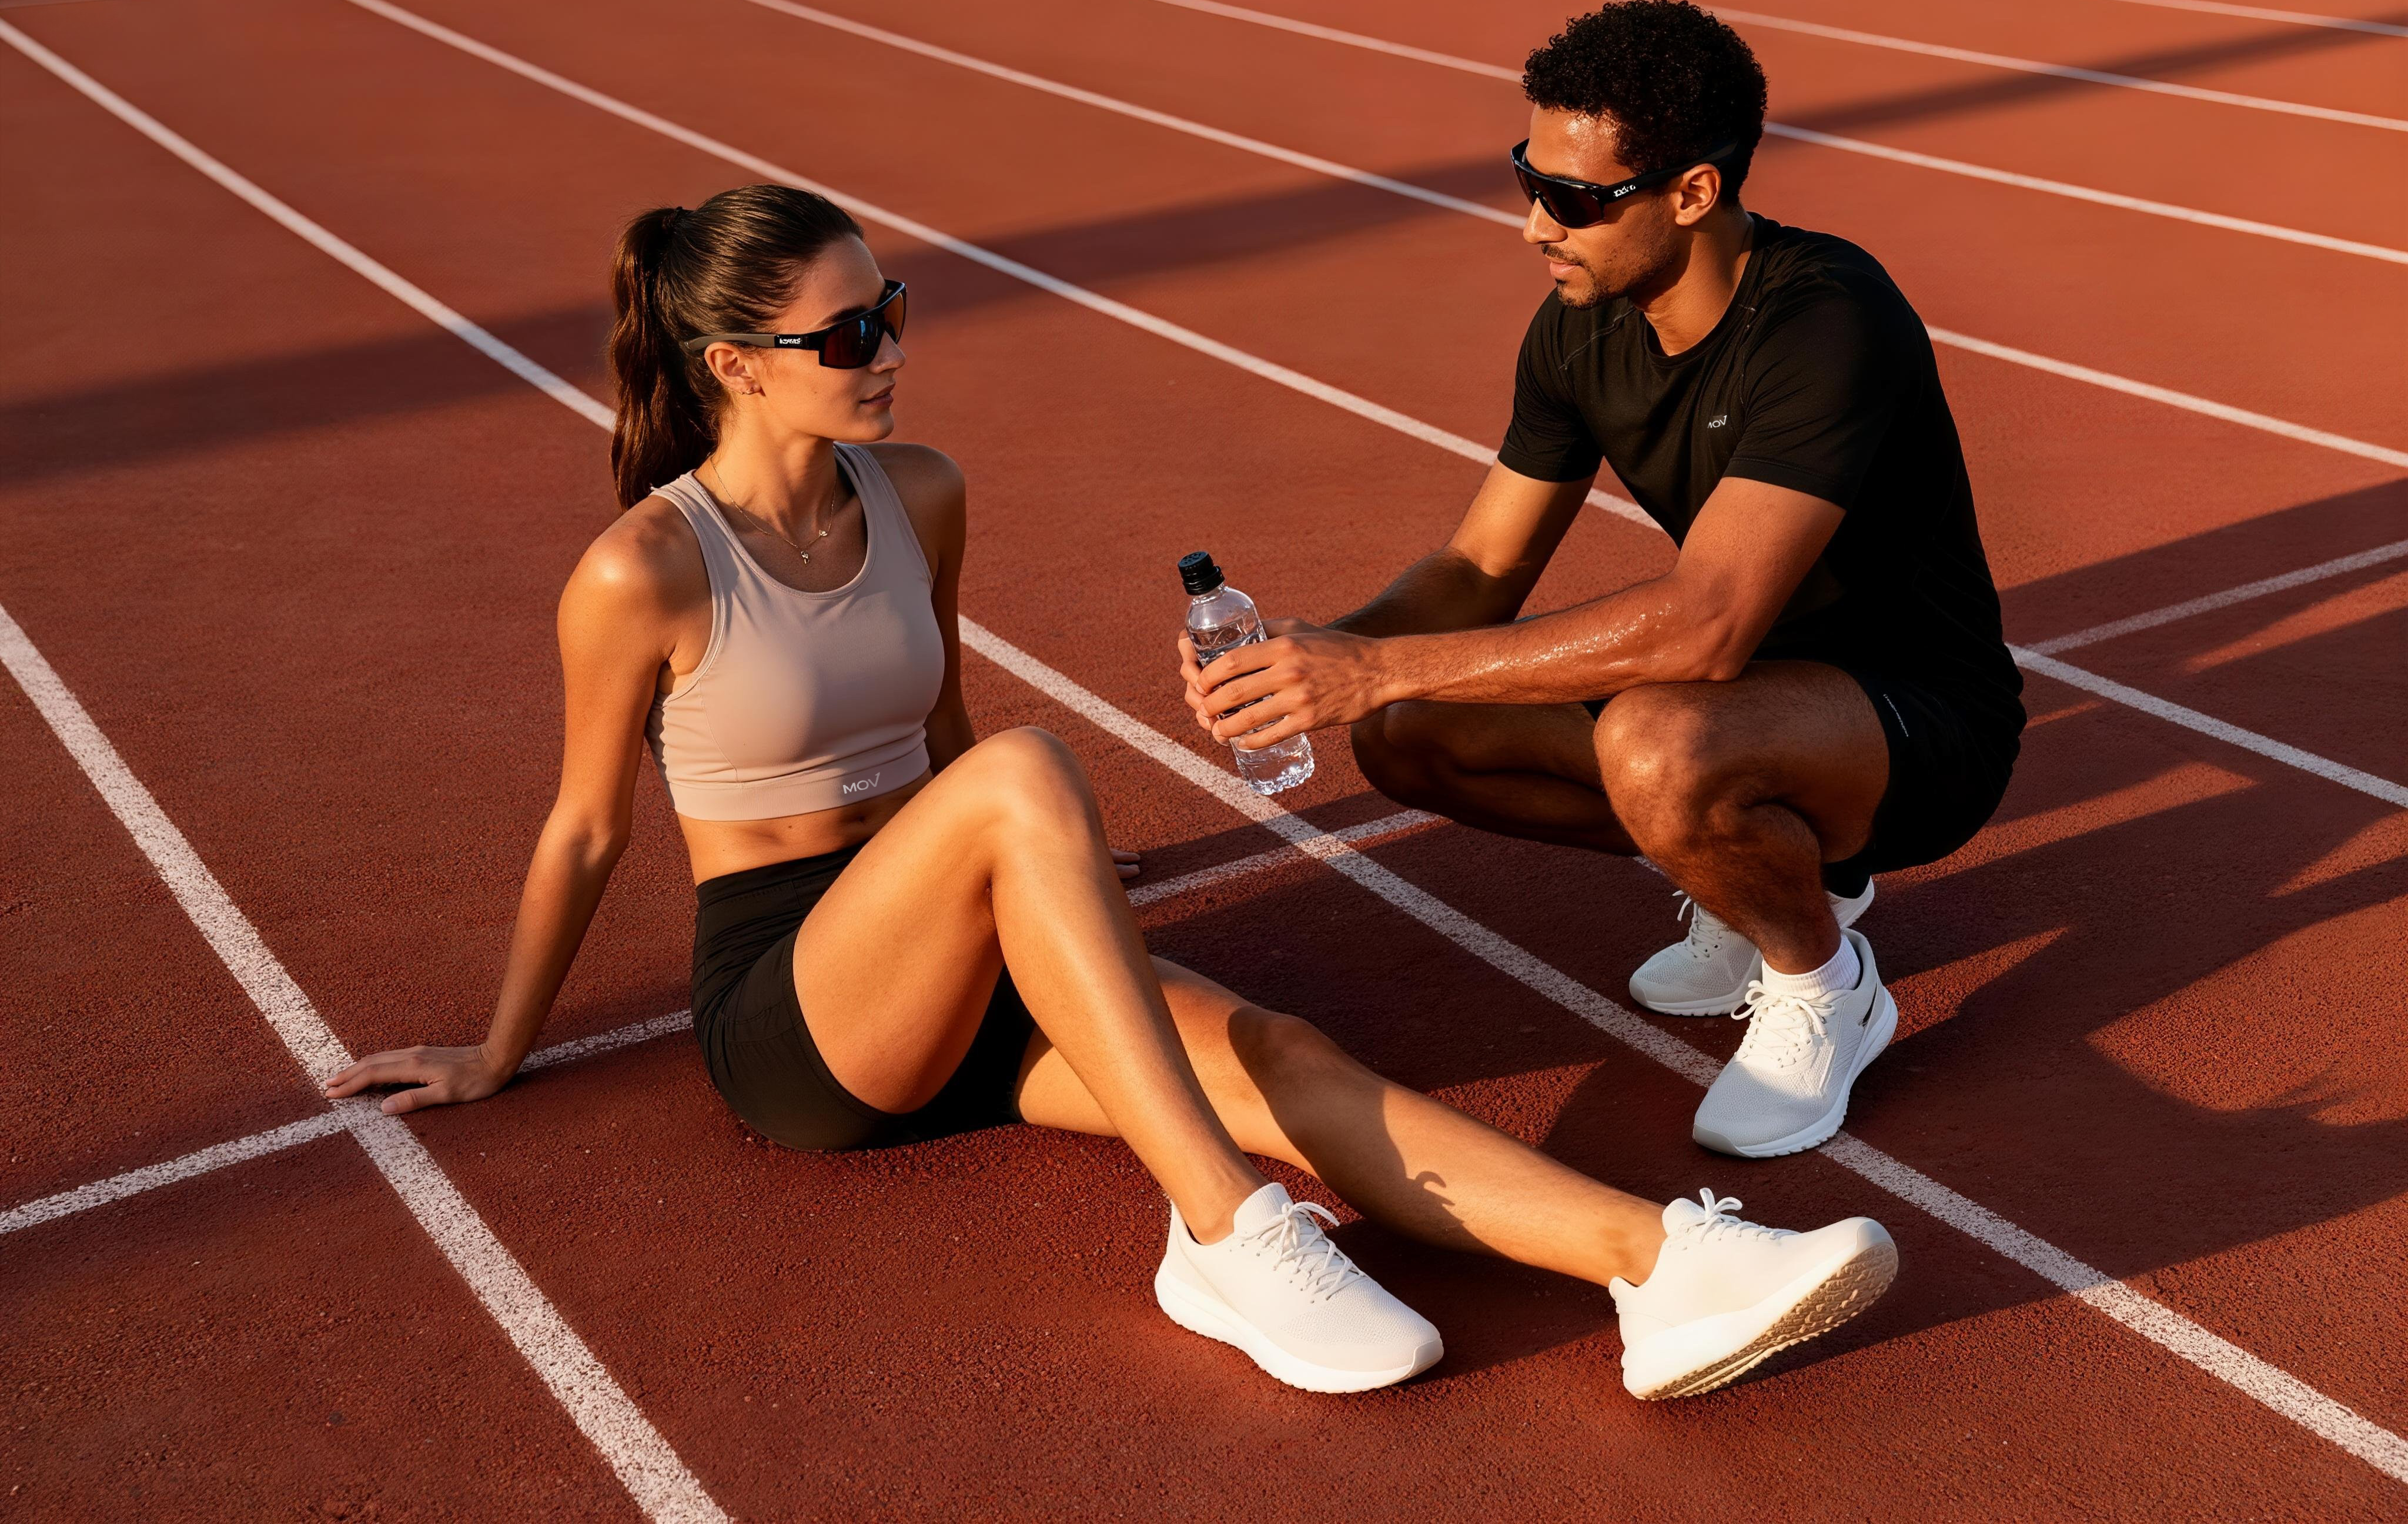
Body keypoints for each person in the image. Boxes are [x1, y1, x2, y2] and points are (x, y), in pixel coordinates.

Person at [325, 183, 1898, 1399]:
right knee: (1029, 777)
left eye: (895, 310)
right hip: (804, 1012)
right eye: (849, 334)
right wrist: (495, 1050)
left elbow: (936, 724)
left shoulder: (919, 491)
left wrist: (1049, 881)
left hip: (972, 935)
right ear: (734, 365)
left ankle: (1663, 1272)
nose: (889, 351)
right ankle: (1223, 1227)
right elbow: (591, 824)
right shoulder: (642, 568)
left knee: (1278, 1048)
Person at [1180, 1, 2024, 1162]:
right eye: (1526, 179)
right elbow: (1481, 564)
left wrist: (1369, 666)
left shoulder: (1827, 317)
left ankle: (1825, 983)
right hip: (1749, 695)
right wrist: (1317, 654)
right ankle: (1747, 881)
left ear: (1690, 193)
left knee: (1656, 742)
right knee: (1412, 732)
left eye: (1575, 199)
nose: (1535, 225)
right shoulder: (1576, 330)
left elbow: (1708, 623)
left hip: (1915, 719)